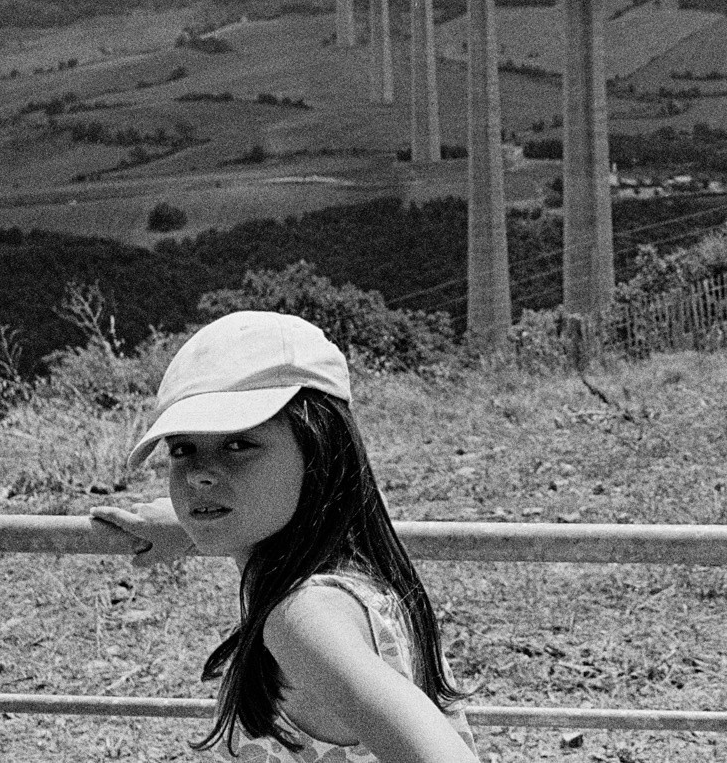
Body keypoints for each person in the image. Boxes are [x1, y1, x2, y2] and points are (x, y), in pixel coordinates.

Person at [91, 310, 477, 763]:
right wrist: (192, 528)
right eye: (183, 449)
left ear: (321, 453)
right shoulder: (351, 574)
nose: (198, 475)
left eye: (239, 444)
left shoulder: (303, 620)